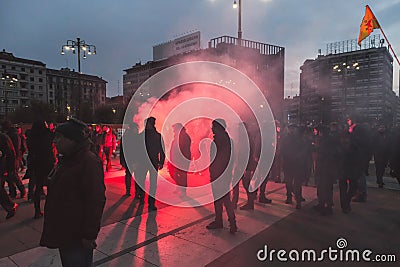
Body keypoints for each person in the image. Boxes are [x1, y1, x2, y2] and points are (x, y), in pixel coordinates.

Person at [40, 118, 106, 267]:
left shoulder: (88, 161)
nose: (55, 141)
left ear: (73, 140)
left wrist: (89, 235)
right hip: (66, 230)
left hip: (77, 235)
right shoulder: (67, 159)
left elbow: (95, 200)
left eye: (59, 137)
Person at [206, 119, 237, 234]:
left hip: (217, 175)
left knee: (219, 199)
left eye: (213, 126)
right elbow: (232, 158)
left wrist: (213, 174)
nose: (211, 128)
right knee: (226, 199)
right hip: (226, 174)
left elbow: (213, 160)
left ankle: (220, 221)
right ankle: (231, 222)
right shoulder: (230, 141)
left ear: (218, 128)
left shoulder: (216, 142)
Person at [26, 120, 56, 219]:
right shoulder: (48, 134)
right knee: (51, 187)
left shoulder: (31, 136)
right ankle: (51, 209)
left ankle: (37, 211)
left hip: (36, 162)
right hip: (48, 162)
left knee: (38, 187)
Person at [136, 117, 165, 211]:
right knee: (149, 182)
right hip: (150, 161)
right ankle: (148, 201)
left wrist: (161, 162)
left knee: (146, 181)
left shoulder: (143, 135)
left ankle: (146, 201)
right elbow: (162, 150)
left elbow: (162, 150)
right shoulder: (156, 136)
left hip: (147, 161)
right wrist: (161, 162)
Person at [120, 122, 141, 197]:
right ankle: (136, 193)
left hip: (129, 160)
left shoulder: (125, 137)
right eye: (136, 128)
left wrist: (122, 161)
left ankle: (128, 191)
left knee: (129, 175)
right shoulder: (137, 137)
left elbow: (122, 150)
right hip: (134, 160)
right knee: (137, 176)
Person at [0, 132, 18, 219]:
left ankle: (11, 205)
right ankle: (10, 205)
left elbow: (11, 154)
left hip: (2, 167)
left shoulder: (3, 138)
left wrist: (11, 169)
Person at [169, 123, 191, 194]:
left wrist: (181, 159)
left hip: (182, 160)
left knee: (182, 176)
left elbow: (182, 149)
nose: (173, 131)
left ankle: (183, 191)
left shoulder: (184, 137)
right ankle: (179, 187)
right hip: (176, 160)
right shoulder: (177, 136)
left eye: (174, 129)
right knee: (175, 174)